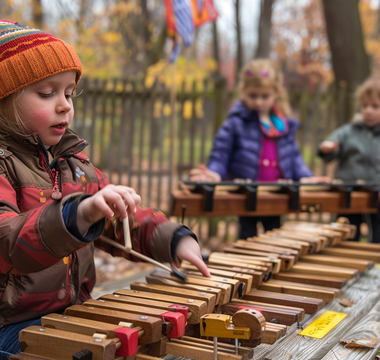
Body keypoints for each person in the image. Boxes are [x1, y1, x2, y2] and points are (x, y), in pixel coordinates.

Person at [0, 20, 210, 358]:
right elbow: (7, 241)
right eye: (47, 93)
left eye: (69, 93)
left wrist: (173, 239)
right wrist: (77, 213)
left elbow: (121, 220)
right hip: (11, 327)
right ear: (4, 99)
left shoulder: (74, 164)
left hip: (72, 313)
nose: (65, 104)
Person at [190, 59, 329, 239]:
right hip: (247, 196)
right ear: (242, 92)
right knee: (247, 238)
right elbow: (221, 152)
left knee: (275, 239)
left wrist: (307, 178)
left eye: (265, 96)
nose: (258, 101)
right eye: (253, 95)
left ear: (276, 93)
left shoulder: (283, 125)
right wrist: (215, 173)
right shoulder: (235, 122)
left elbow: (293, 157)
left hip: (276, 195)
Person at [319, 76, 380, 243]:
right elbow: (329, 146)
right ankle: (348, 265)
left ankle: (375, 265)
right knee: (348, 233)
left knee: (377, 234)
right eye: (365, 106)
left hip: (377, 192)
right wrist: (327, 148)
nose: (368, 110)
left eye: (375, 106)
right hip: (349, 192)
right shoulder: (349, 131)